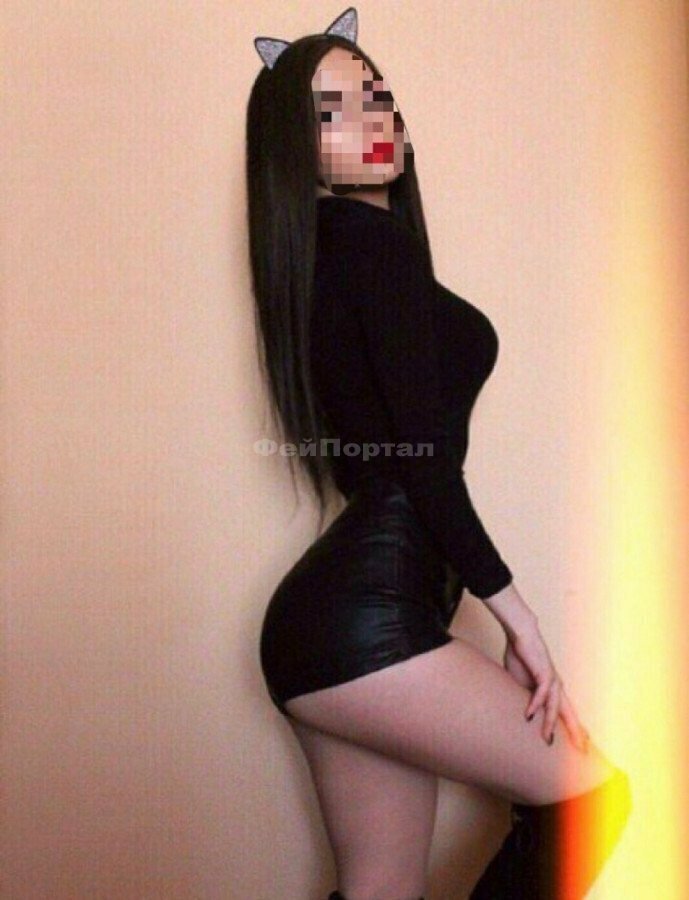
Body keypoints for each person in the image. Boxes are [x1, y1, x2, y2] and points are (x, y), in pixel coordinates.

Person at [247, 8, 632, 899]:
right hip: (367, 616)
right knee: (588, 801)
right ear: (296, 150)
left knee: (380, 889)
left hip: (335, 625)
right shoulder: (365, 244)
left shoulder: (329, 257)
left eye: (374, 94)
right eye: (331, 111)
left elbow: (387, 455)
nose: (370, 118)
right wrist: (518, 622)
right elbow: (422, 466)